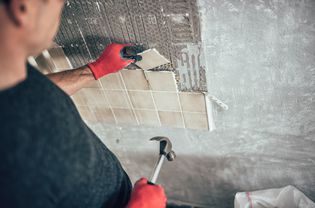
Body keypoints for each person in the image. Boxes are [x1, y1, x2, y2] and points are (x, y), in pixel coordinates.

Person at [0, 0, 167, 207]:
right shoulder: (13, 178)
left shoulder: (9, 71)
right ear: (24, 7)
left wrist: (95, 69)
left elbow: (32, 94)